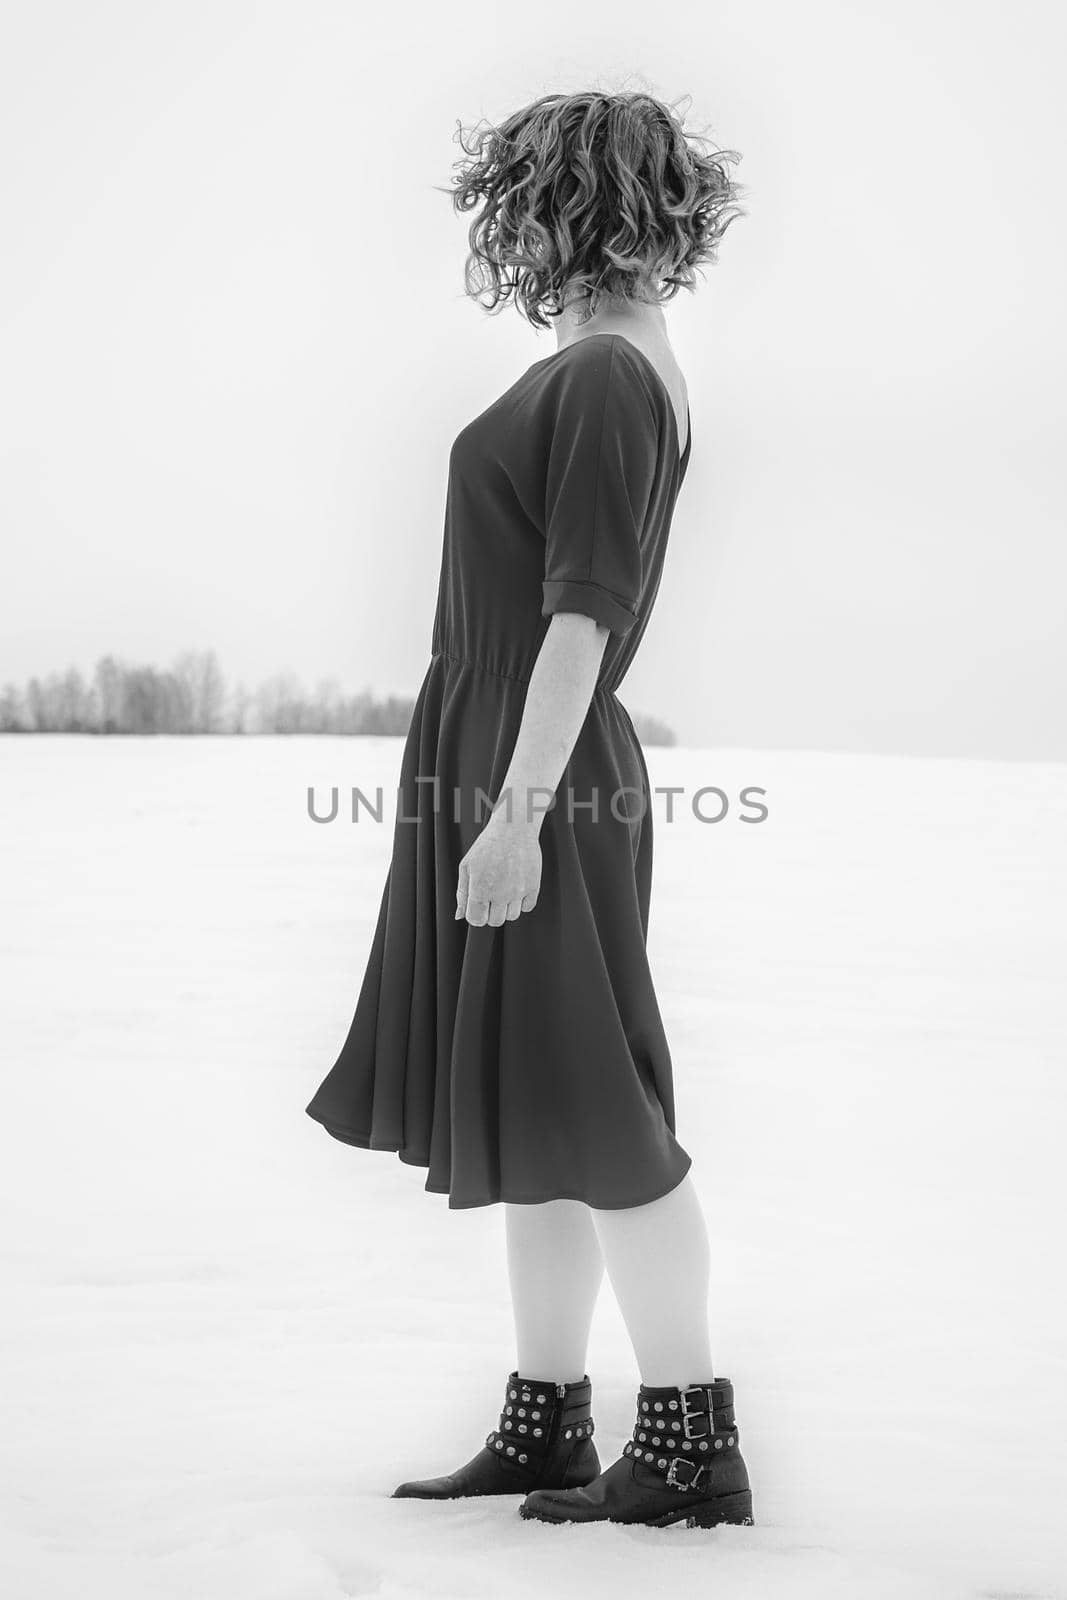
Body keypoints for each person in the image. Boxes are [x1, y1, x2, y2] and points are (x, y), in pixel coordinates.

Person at [305, 87, 751, 1530]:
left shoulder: (615, 375)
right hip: (509, 753)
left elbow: (582, 615)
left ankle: (690, 1448)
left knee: (601, 1110)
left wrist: (514, 814)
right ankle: (549, 1421)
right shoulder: (606, 364)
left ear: (565, 207)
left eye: (529, 204)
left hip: (538, 769)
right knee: (546, 1111)